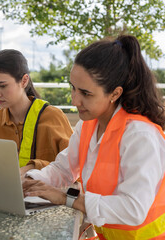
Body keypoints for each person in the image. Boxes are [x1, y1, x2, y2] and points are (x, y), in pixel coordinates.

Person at [23, 35, 165, 239]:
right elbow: (63, 169)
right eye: (72, 87)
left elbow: (133, 209)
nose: (74, 100)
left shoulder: (140, 136)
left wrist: (66, 198)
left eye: (85, 93)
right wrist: (30, 182)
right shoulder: (88, 124)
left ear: (115, 94)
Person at [0, 49, 73, 175]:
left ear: (24, 81)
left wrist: (32, 168)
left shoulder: (53, 117)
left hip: (44, 194)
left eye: (3, 86)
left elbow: (74, 168)